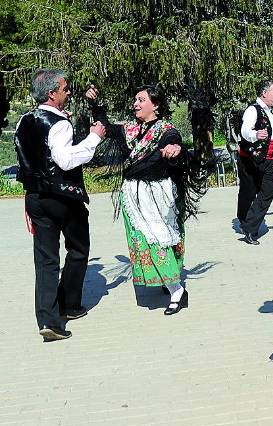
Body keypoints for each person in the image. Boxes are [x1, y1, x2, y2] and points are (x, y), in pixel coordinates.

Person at [86, 84, 207, 315]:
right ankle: (170, 283)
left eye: (141, 100)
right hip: (133, 194)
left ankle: (176, 289)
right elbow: (106, 129)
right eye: (135, 99)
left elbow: (174, 142)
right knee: (143, 240)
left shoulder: (166, 130)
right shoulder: (130, 129)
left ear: (156, 105)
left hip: (157, 195)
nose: (136, 104)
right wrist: (95, 104)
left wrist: (175, 148)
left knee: (159, 240)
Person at [15, 68, 106, 341]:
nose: (68, 92)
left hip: (35, 198)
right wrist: (94, 138)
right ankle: (69, 305)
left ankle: (48, 319)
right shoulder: (59, 123)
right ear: (52, 93)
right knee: (78, 248)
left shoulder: (24, 120)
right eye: (65, 89)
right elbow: (65, 160)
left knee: (45, 261)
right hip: (62, 196)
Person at [237, 80, 273, 245]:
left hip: (267, 159)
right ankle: (246, 224)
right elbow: (245, 130)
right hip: (252, 159)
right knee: (249, 191)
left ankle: (249, 226)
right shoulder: (252, 109)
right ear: (264, 93)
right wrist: (255, 135)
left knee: (267, 192)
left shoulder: (268, 112)